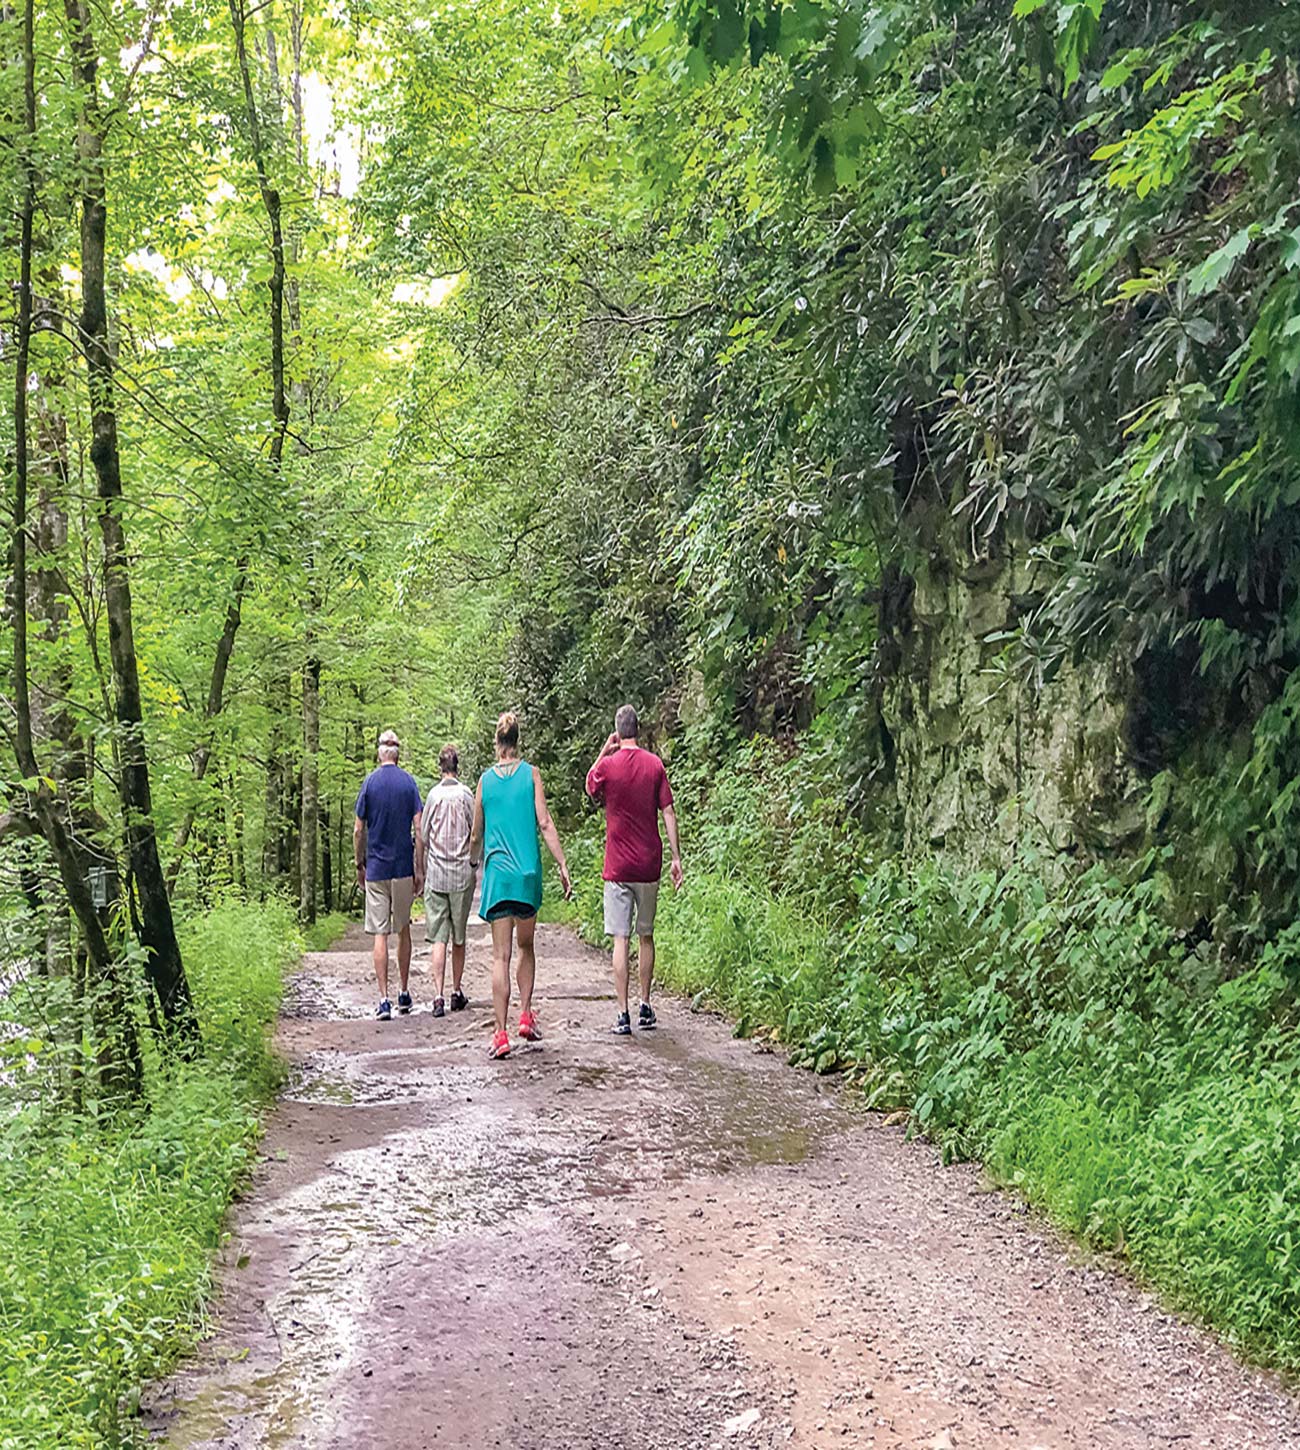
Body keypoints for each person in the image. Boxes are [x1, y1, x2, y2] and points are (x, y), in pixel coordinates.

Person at [472, 712, 571, 1060]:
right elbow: (544, 822)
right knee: (526, 946)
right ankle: (525, 1016)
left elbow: (475, 833)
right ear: (518, 741)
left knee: (501, 955)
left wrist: (473, 862)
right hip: (527, 874)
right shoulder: (531, 775)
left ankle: (500, 1034)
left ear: (496, 743)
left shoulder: (485, 781)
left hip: (498, 877)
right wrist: (561, 863)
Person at [585, 704, 682, 1035]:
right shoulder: (654, 765)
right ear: (638, 729)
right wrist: (676, 857)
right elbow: (668, 812)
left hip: (617, 866)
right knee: (646, 935)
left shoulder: (609, 766)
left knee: (620, 939)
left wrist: (604, 750)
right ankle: (645, 1005)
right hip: (648, 864)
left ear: (618, 731)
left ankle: (623, 1013)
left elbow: (590, 785)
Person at [354, 728, 424, 1021]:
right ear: (398, 754)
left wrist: (360, 863)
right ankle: (404, 993)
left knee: (380, 933)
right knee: (403, 929)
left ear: (380, 752)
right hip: (402, 867)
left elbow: (359, 829)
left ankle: (383, 1000)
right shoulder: (409, 784)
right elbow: (419, 829)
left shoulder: (369, 784)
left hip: (377, 869)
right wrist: (419, 865)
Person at [421, 743, 476, 1017]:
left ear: (440, 767)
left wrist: (422, 868)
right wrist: (475, 860)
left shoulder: (432, 797)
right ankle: (457, 990)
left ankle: (438, 996)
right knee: (459, 936)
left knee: (438, 938)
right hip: (461, 874)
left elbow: (422, 835)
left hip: (437, 873)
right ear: (457, 766)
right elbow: (475, 829)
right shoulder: (466, 794)